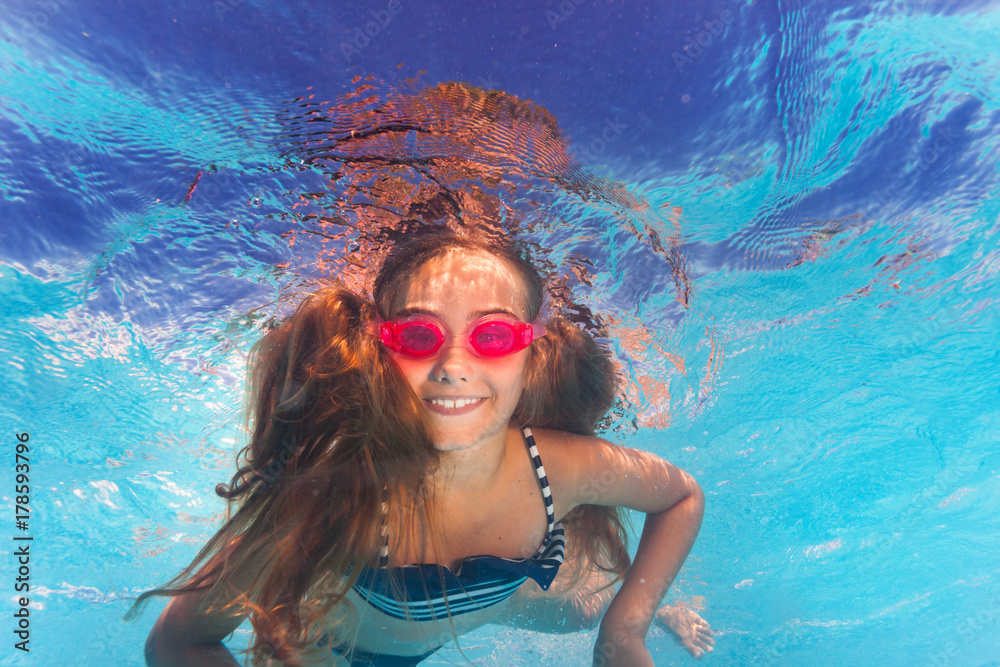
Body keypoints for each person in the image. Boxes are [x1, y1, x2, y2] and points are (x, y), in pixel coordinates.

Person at [135, 227, 714, 666]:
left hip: (494, 600)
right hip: (345, 652)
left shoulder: (557, 467)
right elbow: (175, 640)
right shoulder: (338, 498)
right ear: (380, 351)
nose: (454, 366)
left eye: (492, 336)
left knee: (580, 610)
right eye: (418, 336)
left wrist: (626, 626)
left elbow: (680, 496)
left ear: (531, 355)